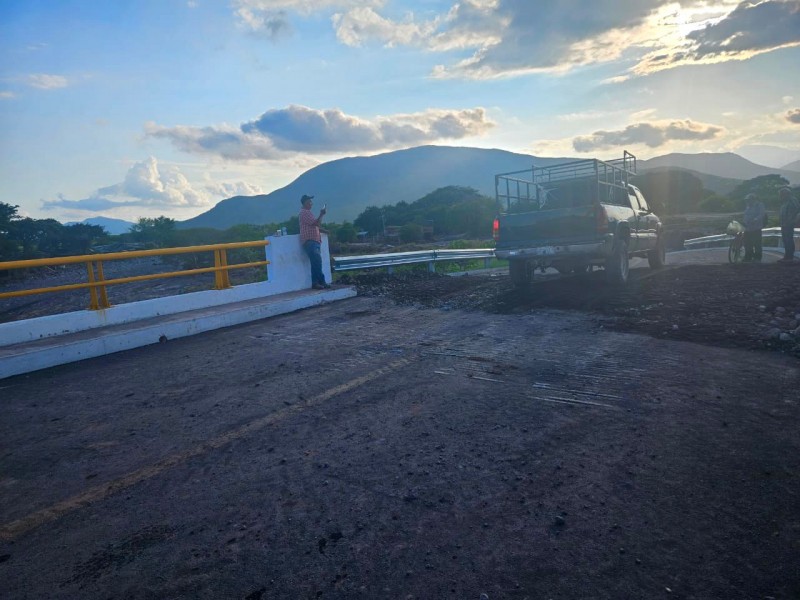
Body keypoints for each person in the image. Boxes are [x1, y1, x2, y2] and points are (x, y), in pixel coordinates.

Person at [299, 194, 330, 289]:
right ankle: (319, 282)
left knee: (316, 262)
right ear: (305, 203)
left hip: (314, 241)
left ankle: (318, 282)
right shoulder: (305, 213)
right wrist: (321, 214)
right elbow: (316, 223)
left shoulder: (307, 212)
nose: (311, 203)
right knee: (317, 261)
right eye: (309, 202)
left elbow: (315, 226)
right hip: (311, 241)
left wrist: (324, 231)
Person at [778, 186, 799, 262]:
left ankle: (789, 256)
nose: (780, 196)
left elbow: (796, 210)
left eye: (781, 194)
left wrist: (791, 220)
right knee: (785, 240)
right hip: (784, 223)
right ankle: (787, 256)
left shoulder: (792, 201)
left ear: (786, 194)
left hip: (789, 223)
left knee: (788, 239)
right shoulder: (785, 202)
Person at [742, 193, 765, 262]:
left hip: (756, 227)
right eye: (747, 200)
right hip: (747, 228)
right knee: (747, 243)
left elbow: (761, 214)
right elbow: (746, 215)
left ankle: (757, 257)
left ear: (753, 199)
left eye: (749, 200)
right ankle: (748, 256)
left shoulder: (759, 205)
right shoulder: (748, 206)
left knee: (757, 243)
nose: (747, 201)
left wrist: (755, 220)